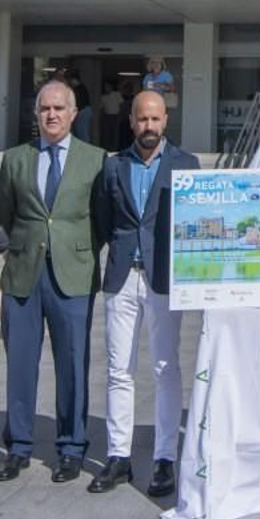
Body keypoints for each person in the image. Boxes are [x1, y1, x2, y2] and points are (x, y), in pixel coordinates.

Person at [0, 78, 106, 483]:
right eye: (45, 109)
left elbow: (102, 219)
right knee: (20, 364)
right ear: (36, 114)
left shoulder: (95, 160)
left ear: (74, 114)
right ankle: (18, 446)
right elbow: (5, 212)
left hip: (73, 275)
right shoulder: (15, 159)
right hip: (24, 273)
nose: (52, 115)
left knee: (73, 364)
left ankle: (72, 447)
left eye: (60, 108)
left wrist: (77, 247)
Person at [88, 90, 200, 497]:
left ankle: (164, 458)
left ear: (165, 120)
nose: (148, 127)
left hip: (164, 280)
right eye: (142, 119)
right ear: (131, 121)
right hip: (122, 277)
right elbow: (104, 219)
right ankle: (118, 456)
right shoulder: (113, 166)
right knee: (119, 370)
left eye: (155, 119)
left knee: (166, 368)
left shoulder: (186, 165)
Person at [98, 81, 125, 152]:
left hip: (115, 116)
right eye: (105, 87)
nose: (107, 88)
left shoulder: (117, 94)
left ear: (111, 87)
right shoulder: (103, 97)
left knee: (115, 133)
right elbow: (102, 108)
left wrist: (121, 115)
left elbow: (122, 105)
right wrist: (101, 118)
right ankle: (107, 149)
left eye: (108, 87)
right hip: (107, 116)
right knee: (106, 133)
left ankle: (114, 149)